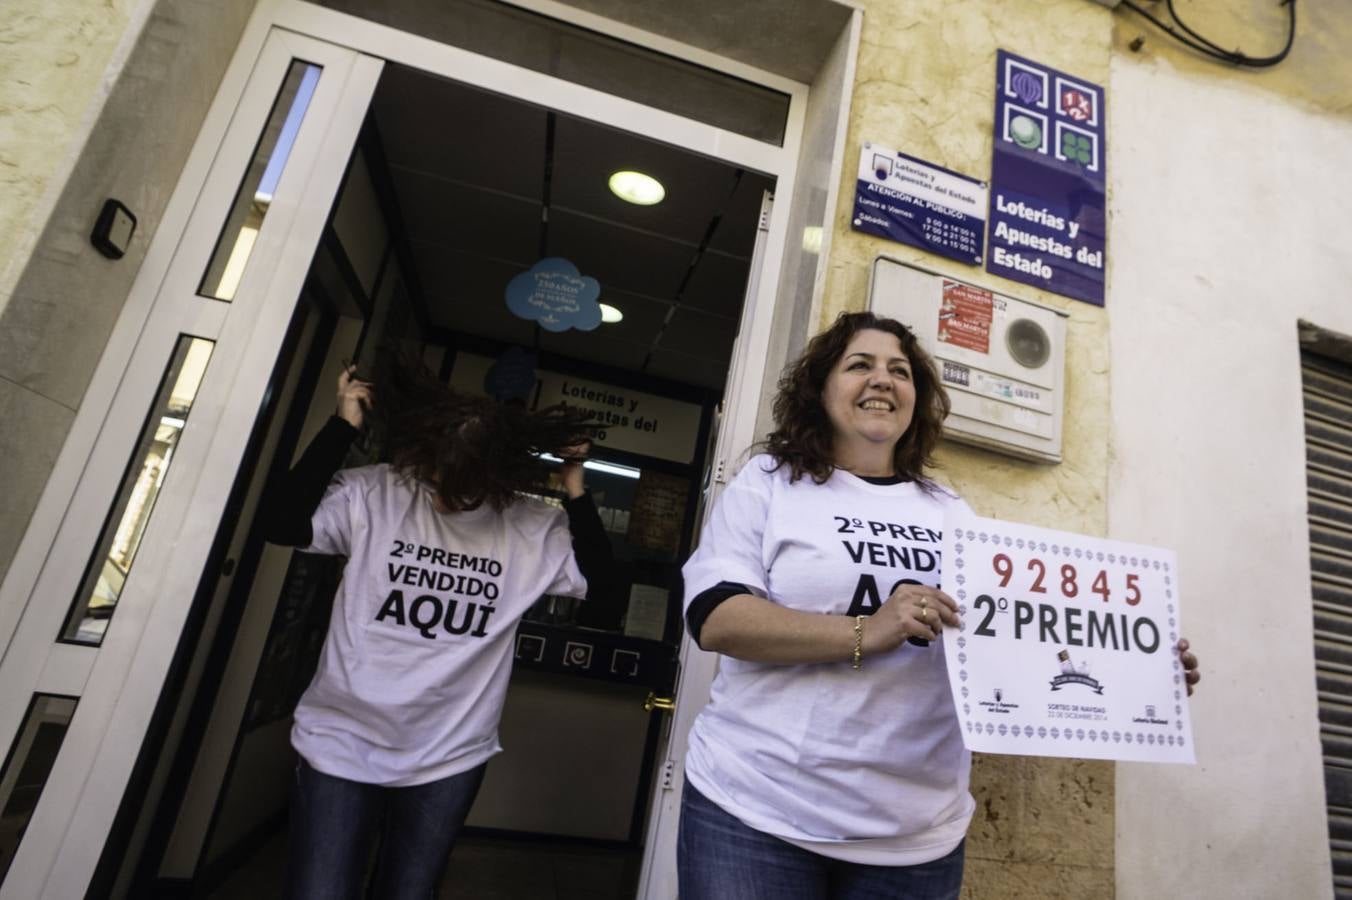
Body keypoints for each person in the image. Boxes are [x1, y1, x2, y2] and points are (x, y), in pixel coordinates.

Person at [676, 311, 1201, 900]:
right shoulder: (770, 483)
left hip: (915, 840)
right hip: (757, 809)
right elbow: (717, 618)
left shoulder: (950, 512)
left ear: (916, 400)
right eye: (859, 365)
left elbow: (1014, 644)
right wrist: (865, 631)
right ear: (820, 391)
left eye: (899, 371)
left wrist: (1137, 674)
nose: (882, 380)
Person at [263, 359, 609, 899]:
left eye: (469, 489)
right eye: (441, 481)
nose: (449, 499)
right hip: (341, 740)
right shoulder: (375, 493)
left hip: (448, 754)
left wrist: (575, 486)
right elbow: (279, 521)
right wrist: (343, 424)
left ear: (499, 481)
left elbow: (606, 591)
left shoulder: (532, 527)